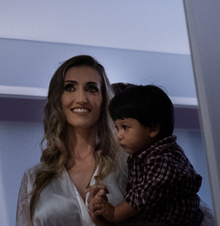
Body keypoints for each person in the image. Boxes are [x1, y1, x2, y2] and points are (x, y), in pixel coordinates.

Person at [15, 56, 128, 226]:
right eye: (70, 88)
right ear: (58, 100)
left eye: (92, 89)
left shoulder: (127, 167)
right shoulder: (34, 179)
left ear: (103, 100)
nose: (81, 98)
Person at [87, 84, 211, 226]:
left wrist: (114, 212)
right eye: (116, 127)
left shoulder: (164, 158)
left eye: (125, 127)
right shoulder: (143, 154)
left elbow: (145, 195)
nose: (118, 135)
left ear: (152, 129)